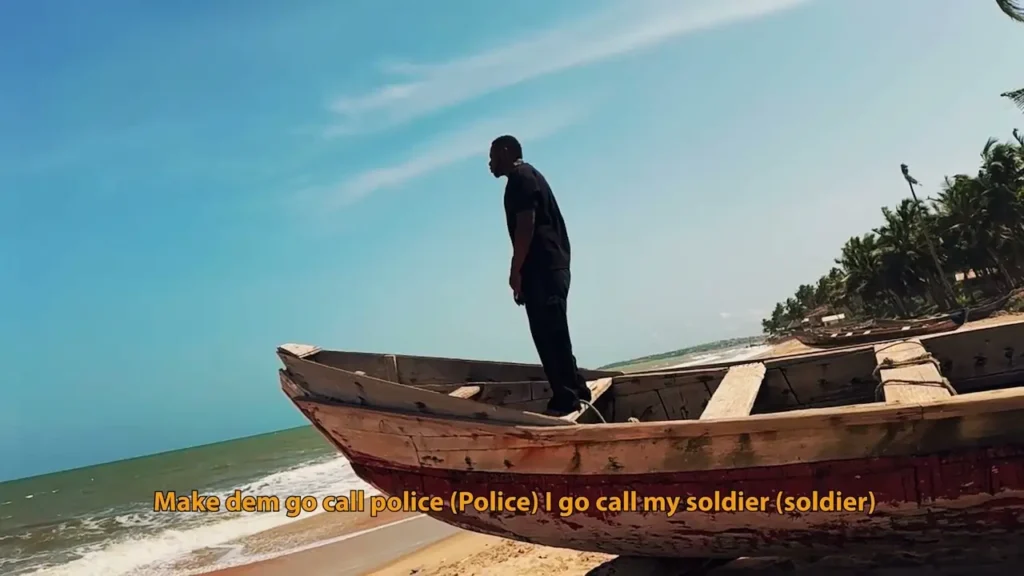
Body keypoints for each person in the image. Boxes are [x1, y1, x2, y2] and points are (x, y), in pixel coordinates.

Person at [488, 135, 592, 416]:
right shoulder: (529, 176)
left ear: (508, 151)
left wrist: (515, 270)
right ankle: (576, 387)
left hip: (543, 268)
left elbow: (526, 226)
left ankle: (566, 399)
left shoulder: (521, 178)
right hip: (552, 266)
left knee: (548, 334)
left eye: (493, 155)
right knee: (555, 331)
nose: (490, 163)